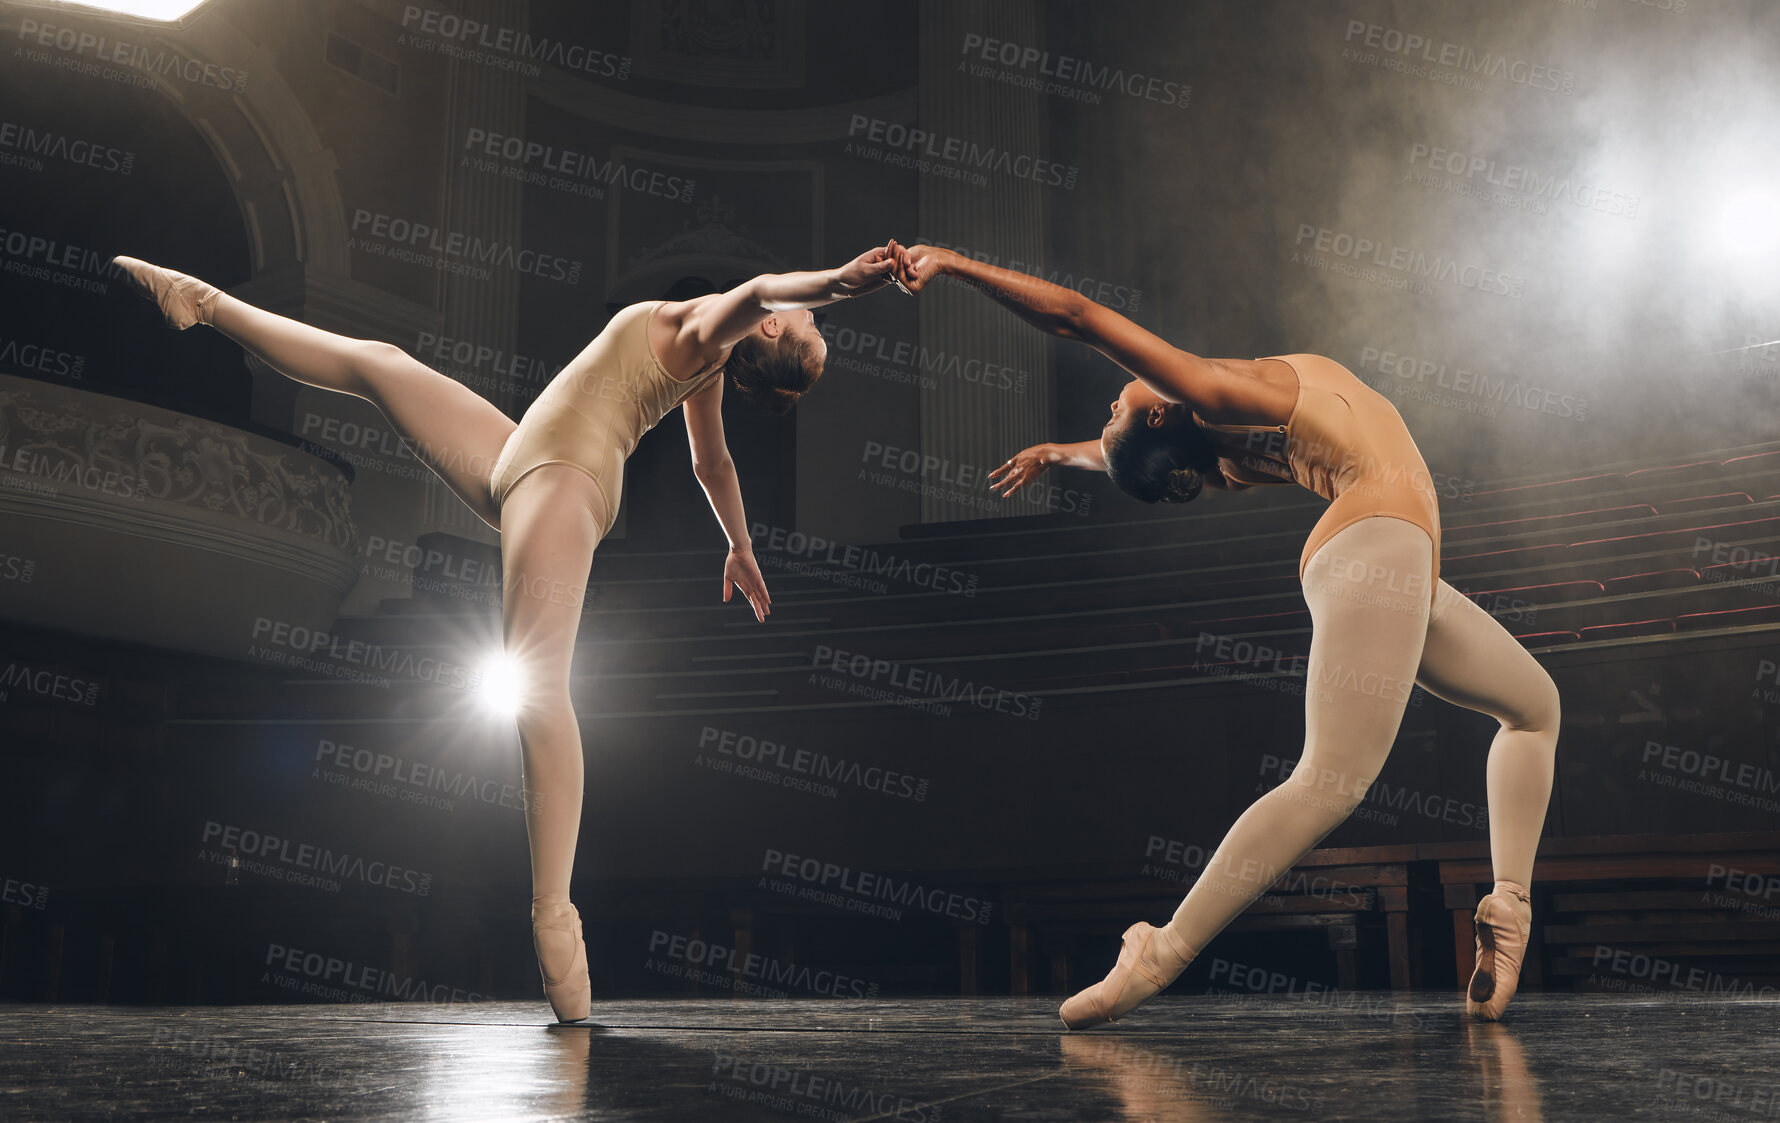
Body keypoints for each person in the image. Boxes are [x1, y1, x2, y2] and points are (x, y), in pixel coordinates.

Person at [111, 245, 904, 1022]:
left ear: (768, 331)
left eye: (809, 320)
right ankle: (203, 300)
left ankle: (553, 915)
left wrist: (841, 282)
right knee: (378, 363)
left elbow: (768, 288)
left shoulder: (707, 329)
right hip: (520, 455)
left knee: (538, 691)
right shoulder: (706, 358)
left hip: (563, 481)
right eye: (816, 319)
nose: (802, 313)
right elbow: (713, 465)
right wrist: (740, 544)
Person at [889, 243, 1560, 1024]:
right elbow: (1074, 316)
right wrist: (952, 265)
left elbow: (1147, 453)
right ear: (1167, 407)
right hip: (1378, 542)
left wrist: (1066, 454)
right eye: (1116, 410)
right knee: (1330, 780)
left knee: (1535, 706)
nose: (1111, 403)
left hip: (1396, 556)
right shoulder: (1214, 397)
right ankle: (1162, 950)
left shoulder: (1233, 451)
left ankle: (1508, 907)